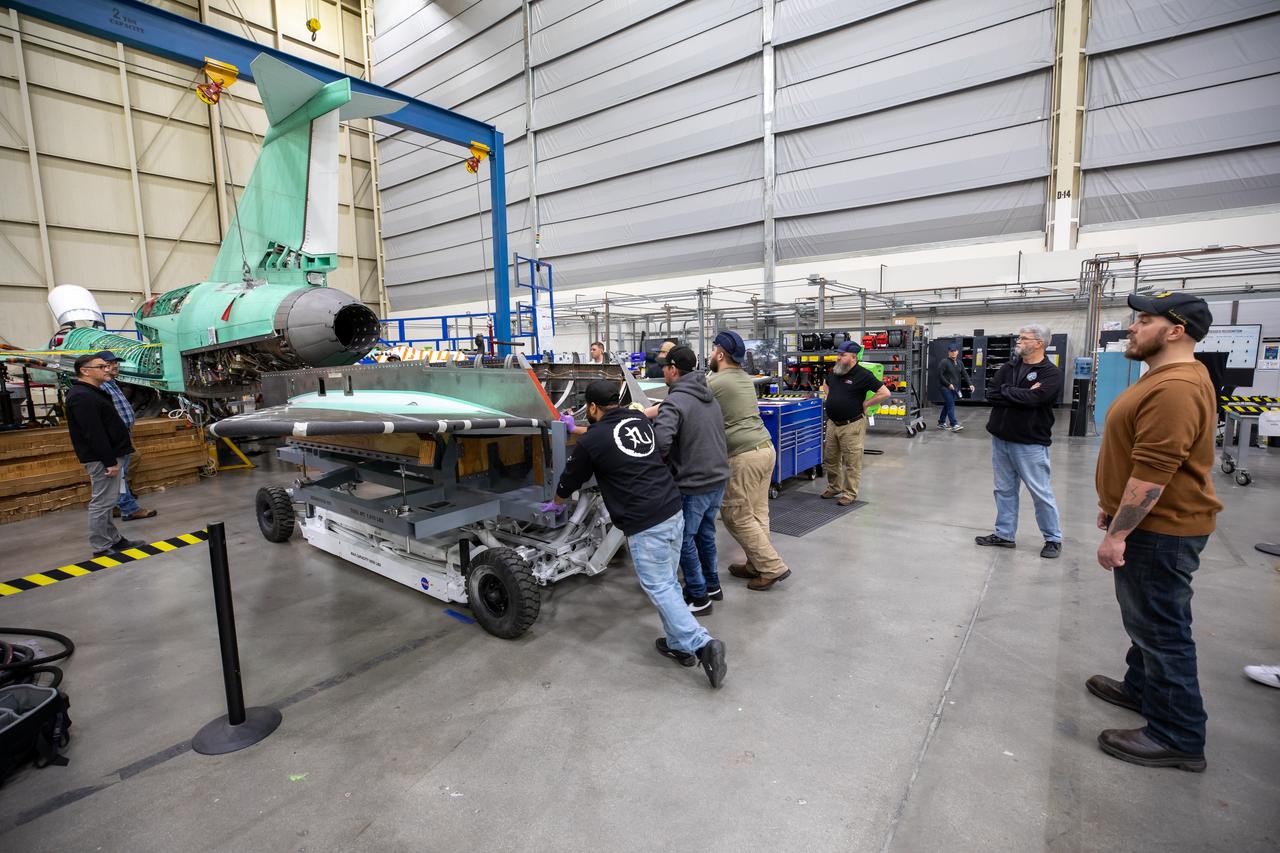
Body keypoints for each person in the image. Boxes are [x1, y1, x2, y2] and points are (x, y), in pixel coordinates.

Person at [1089, 291, 1221, 773]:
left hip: (1162, 531)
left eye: (1144, 320)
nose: (1133, 327)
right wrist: (1115, 508)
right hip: (1154, 522)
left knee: (1162, 630)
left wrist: (1119, 533)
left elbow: (1154, 472)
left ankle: (1177, 735)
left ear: (1175, 330)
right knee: (1145, 619)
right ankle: (1141, 688)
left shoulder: (1176, 387)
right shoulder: (1172, 376)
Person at [543, 380, 727, 688]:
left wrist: (556, 503)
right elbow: (606, 434)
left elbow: (569, 480)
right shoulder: (637, 419)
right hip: (672, 508)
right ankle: (679, 645)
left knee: (658, 586)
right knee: (666, 583)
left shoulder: (593, 441)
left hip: (646, 521)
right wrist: (577, 431)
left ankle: (701, 643)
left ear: (591, 408)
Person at [707, 330, 792, 591]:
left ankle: (771, 566)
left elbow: (680, 401)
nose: (711, 354)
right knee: (756, 512)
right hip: (764, 449)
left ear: (720, 353)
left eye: (713, 350)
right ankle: (756, 564)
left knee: (735, 514)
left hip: (744, 455)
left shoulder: (717, 382)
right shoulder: (743, 377)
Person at [649, 345, 730, 613]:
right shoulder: (708, 395)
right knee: (705, 534)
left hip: (693, 484)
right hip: (717, 478)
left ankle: (698, 596)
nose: (662, 371)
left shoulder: (674, 401)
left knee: (683, 539)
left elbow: (661, 441)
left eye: (664, 367)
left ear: (673, 369)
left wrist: (658, 465)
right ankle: (712, 585)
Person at [974, 324, 1064, 558]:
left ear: (1039, 343)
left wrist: (1008, 392)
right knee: (1003, 490)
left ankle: (1053, 538)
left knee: (1040, 492)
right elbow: (991, 393)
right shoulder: (1009, 366)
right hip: (1001, 439)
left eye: (1024, 338)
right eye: (1019, 338)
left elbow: (1037, 399)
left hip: (1030, 443)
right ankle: (1004, 534)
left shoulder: (1050, 373)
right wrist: (1017, 393)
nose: (1018, 341)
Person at [65, 353, 146, 557]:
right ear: (85, 371)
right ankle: (101, 546)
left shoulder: (93, 392)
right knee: (102, 503)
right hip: (102, 459)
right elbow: (94, 433)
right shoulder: (82, 396)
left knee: (109, 501)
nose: (107, 369)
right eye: (101, 366)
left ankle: (115, 540)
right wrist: (109, 461)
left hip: (110, 455)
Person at [819, 341, 890, 505]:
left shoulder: (863, 374)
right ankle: (834, 487)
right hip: (832, 423)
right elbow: (826, 383)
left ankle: (849, 494)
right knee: (830, 458)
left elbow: (885, 392)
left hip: (852, 425)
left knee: (852, 461)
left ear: (853, 357)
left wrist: (866, 404)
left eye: (842, 355)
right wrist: (830, 397)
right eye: (838, 354)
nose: (838, 357)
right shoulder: (836, 371)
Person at [102, 354, 156, 521]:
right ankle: (128, 508)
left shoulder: (112, 384)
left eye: (116, 363)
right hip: (116, 436)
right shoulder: (103, 387)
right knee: (121, 474)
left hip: (123, 433)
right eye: (110, 364)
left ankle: (118, 504)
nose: (115, 366)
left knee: (127, 467)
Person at [936, 342, 972, 431]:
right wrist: (948, 384)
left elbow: (965, 374)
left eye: (955, 351)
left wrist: (970, 384)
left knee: (947, 405)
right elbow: (940, 375)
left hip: (954, 388)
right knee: (951, 404)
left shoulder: (959, 363)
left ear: (958, 352)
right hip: (945, 387)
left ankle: (941, 422)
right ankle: (954, 424)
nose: (953, 353)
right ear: (948, 352)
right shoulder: (944, 362)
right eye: (951, 351)